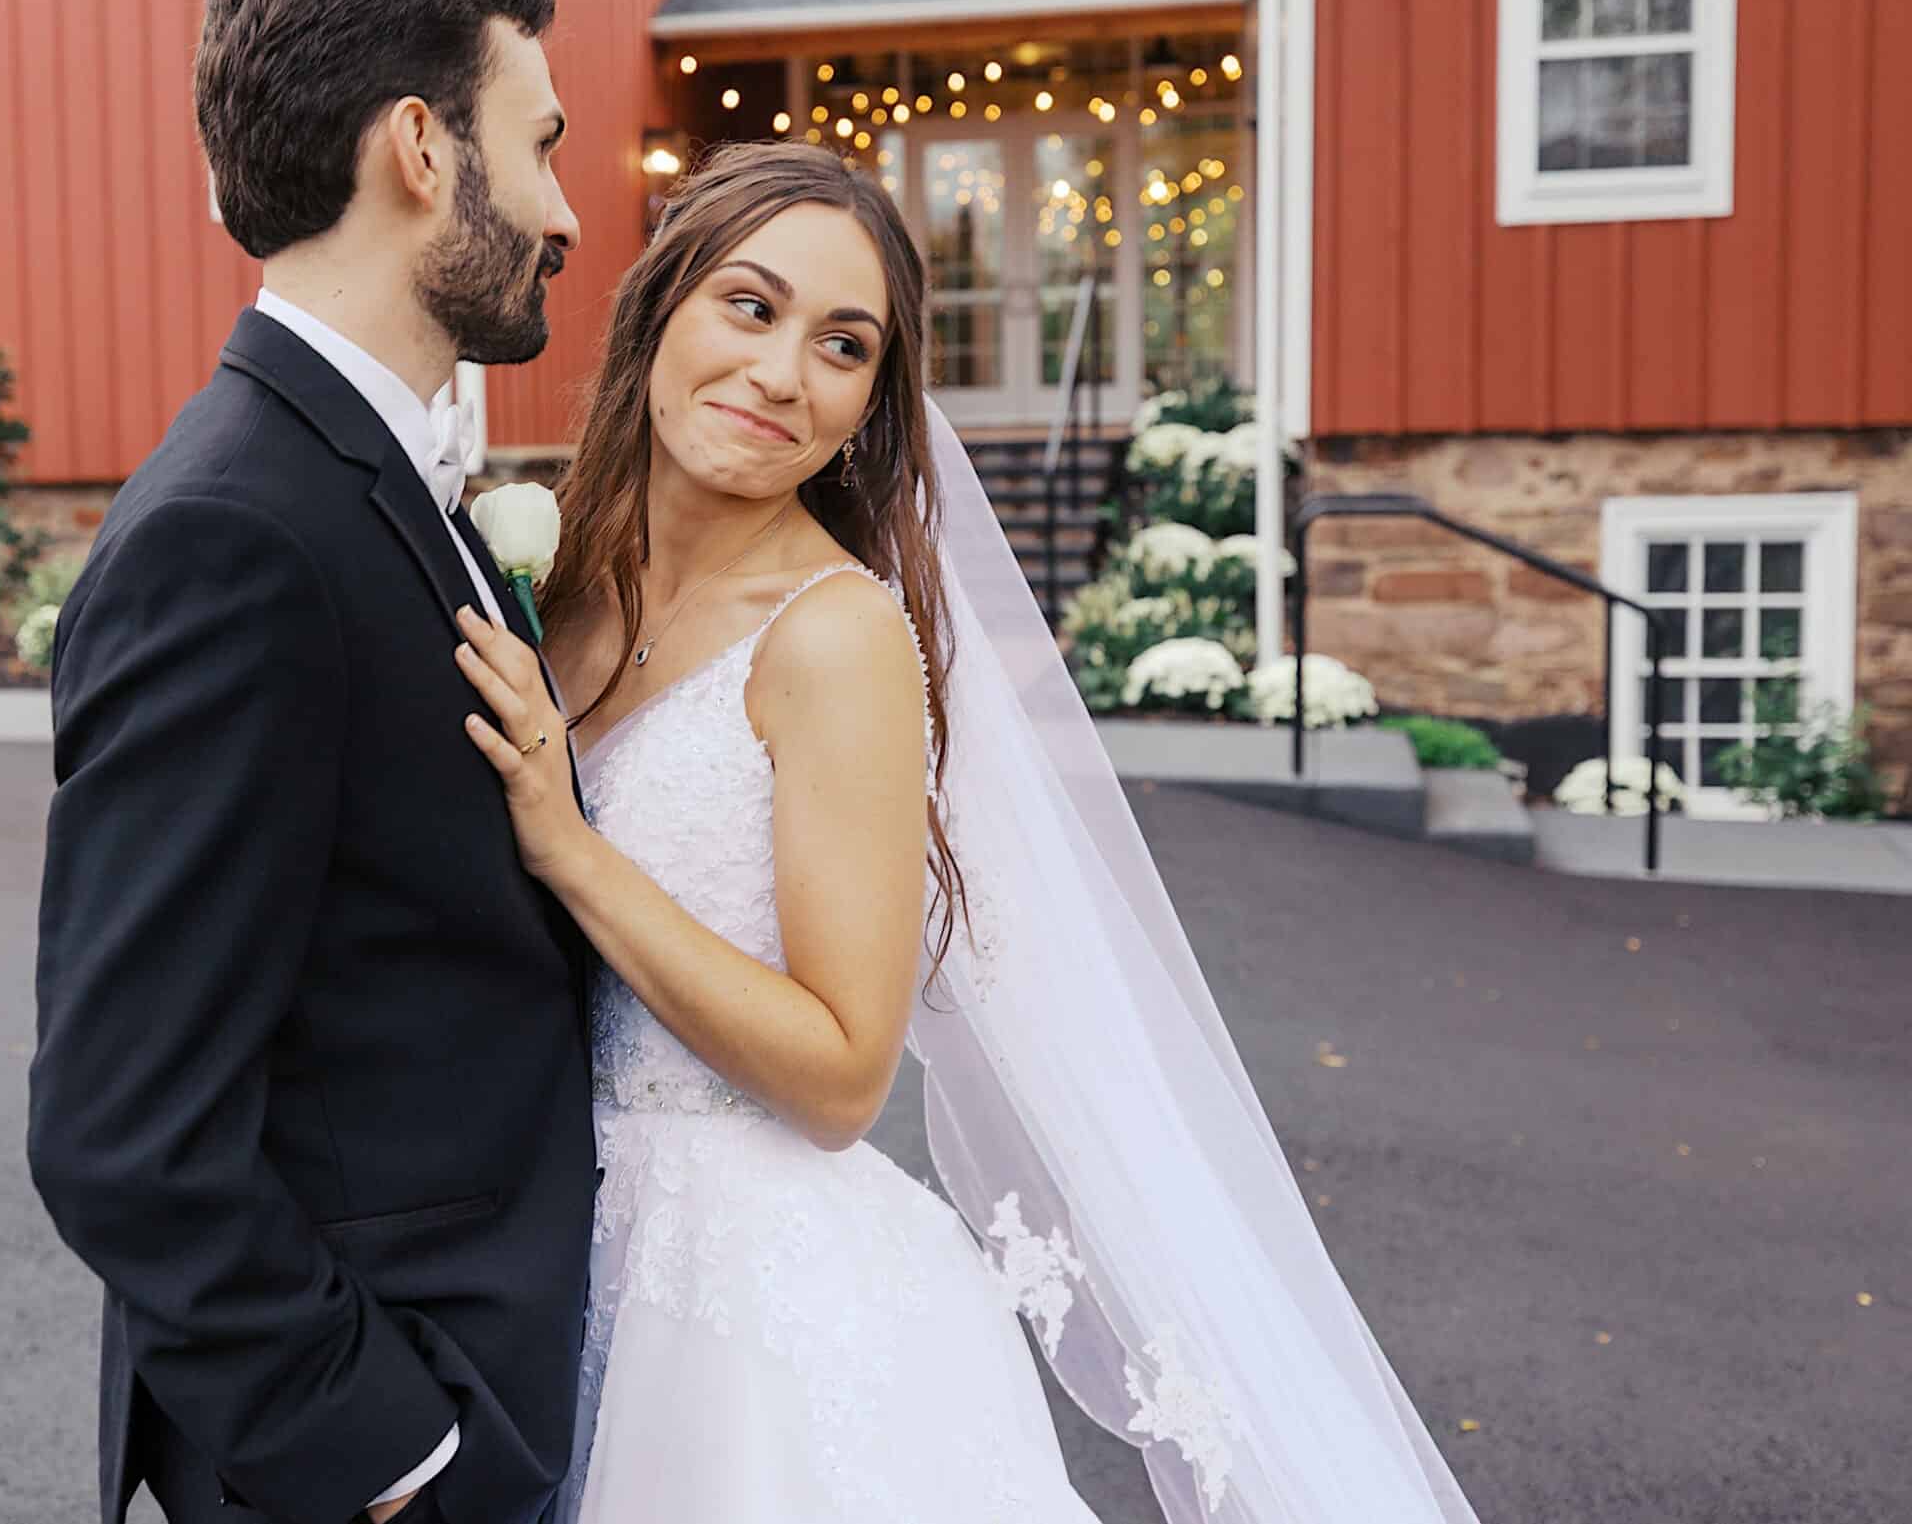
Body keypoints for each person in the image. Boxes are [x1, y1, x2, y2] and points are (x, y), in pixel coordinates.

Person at [454, 142, 1485, 1524]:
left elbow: (840, 1071)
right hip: (541, 1257)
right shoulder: (555, 577)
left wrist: (572, 846)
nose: (781, 373)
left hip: (740, 1315)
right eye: (749, 307)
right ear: (659, 310)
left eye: (843, 345)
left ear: (871, 400)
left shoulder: (834, 638)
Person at [28, 0, 590, 1524]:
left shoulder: (362, 480)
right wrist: (399, 1459)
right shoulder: (236, 535)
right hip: (377, 1446)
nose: (562, 209)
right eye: (537, 143)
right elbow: (121, 1129)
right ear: (421, 147)